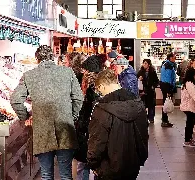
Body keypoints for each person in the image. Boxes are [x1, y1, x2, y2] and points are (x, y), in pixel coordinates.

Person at [10, 45, 84, 179]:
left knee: (46, 174)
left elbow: (15, 100)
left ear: (37, 59)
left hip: (42, 132)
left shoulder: (29, 75)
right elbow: (78, 98)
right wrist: (71, 116)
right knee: (66, 174)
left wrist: (25, 116)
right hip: (65, 129)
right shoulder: (68, 73)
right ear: (53, 57)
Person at [87, 69, 148, 180]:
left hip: (107, 168)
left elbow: (97, 141)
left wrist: (93, 164)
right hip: (133, 165)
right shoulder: (137, 102)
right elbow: (144, 134)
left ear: (102, 86)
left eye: (99, 89)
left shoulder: (102, 108)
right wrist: (141, 157)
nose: (100, 93)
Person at [75, 55, 104, 180]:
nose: (83, 72)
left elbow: (86, 108)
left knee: (84, 163)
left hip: (88, 129)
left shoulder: (90, 87)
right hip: (96, 129)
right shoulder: (101, 85)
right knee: (97, 164)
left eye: (85, 69)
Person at [137, 59, 159, 123]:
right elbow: (136, 80)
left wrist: (153, 86)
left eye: (146, 63)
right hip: (143, 91)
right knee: (143, 105)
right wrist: (139, 79)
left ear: (149, 64)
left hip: (150, 91)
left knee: (151, 105)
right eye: (143, 63)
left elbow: (156, 81)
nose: (144, 64)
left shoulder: (152, 72)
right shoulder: (140, 72)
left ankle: (151, 118)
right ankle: (144, 118)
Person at [159, 53, 176, 127]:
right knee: (165, 103)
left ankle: (165, 119)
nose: (175, 59)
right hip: (166, 85)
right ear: (170, 58)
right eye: (174, 57)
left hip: (164, 84)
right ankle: (164, 121)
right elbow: (168, 77)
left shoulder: (165, 64)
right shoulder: (169, 65)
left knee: (165, 102)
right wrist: (169, 89)